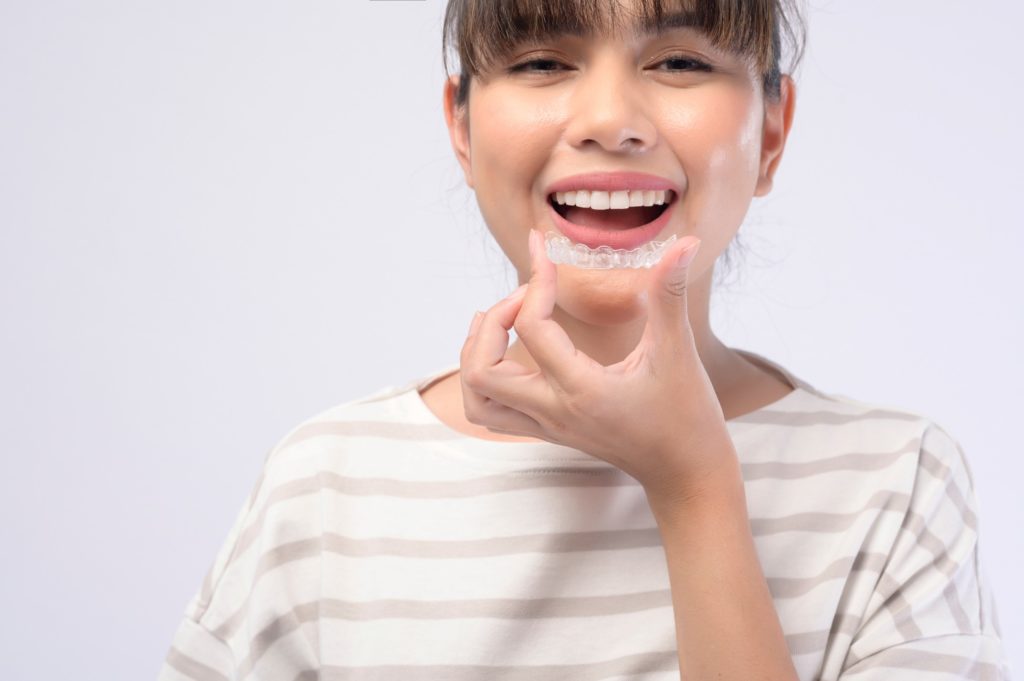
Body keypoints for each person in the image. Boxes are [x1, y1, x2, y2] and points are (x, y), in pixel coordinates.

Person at [158, 1, 1012, 679]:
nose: (612, 119)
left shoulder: (895, 484)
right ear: (460, 126)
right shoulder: (327, 484)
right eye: (541, 62)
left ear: (773, 132)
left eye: (680, 60)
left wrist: (695, 485)